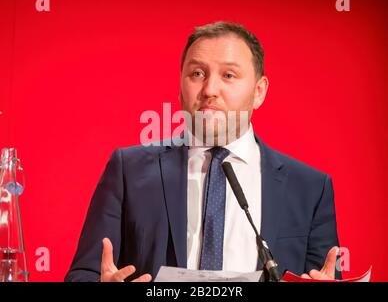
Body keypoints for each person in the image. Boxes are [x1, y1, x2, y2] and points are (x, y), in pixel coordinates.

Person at [64, 22, 341, 282]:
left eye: (228, 75)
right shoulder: (128, 170)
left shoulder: (310, 188)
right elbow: (84, 273)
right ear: (181, 86)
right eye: (197, 73)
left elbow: (324, 273)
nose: (209, 89)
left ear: (259, 91)